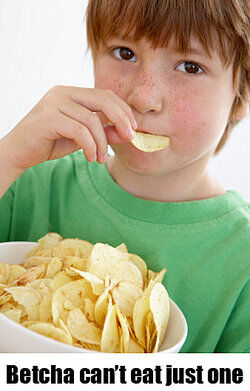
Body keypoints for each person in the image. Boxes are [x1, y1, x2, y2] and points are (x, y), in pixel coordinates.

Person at [0, 0, 249, 353]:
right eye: (125, 52)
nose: (143, 97)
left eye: (190, 66)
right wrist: (8, 154)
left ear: (242, 94)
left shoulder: (243, 262)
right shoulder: (26, 184)